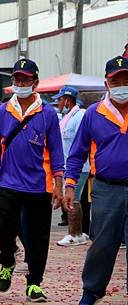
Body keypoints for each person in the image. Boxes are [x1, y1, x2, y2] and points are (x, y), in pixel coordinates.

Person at [0, 59, 64, 302]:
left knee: (38, 237)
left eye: (25, 79)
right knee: (4, 231)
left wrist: (59, 184)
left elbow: (56, 151)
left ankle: (34, 283)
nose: (20, 83)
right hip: (8, 183)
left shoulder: (48, 114)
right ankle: (8, 261)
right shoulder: (3, 112)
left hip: (38, 186)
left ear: (36, 83)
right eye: (17, 79)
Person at [64, 56, 128, 305]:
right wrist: (70, 185)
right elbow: (77, 153)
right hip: (105, 188)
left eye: (126, 79)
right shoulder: (93, 114)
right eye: (117, 80)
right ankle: (92, 291)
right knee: (102, 244)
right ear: (107, 83)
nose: (122, 84)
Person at [51, 86, 90, 247]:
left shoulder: (79, 115)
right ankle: (78, 234)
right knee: (75, 199)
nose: (58, 103)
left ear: (67, 100)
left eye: (59, 100)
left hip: (79, 166)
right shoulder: (67, 117)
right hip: (69, 166)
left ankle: (73, 234)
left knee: (73, 198)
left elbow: (84, 140)